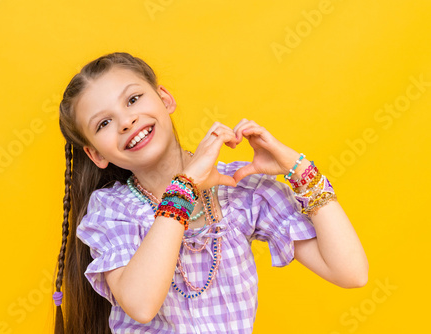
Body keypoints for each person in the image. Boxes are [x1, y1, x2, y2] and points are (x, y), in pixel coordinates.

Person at [52, 52, 368, 334]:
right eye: (104, 122)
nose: (126, 121)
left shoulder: (239, 190)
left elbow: (351, 272)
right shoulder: (113, 210)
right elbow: (141, 305)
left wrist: (298, 169)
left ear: (165, 99)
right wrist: (185, 187)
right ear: (96, 155)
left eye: (133, 100)